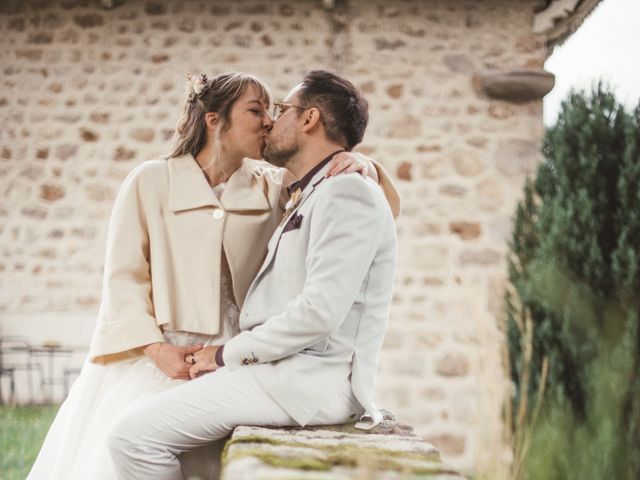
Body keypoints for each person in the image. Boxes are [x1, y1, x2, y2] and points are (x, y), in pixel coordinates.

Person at [27, 72, 400, 480]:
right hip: (166, 355)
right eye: (257, 111)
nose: (269, 122)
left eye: (275, 110)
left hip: (239, 355)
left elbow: (343, 198)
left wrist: (366, 163)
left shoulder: (274, 187)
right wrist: (155, 350)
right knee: (127, 444)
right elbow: (124, 280)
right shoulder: (150, 181)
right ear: (214, 119)